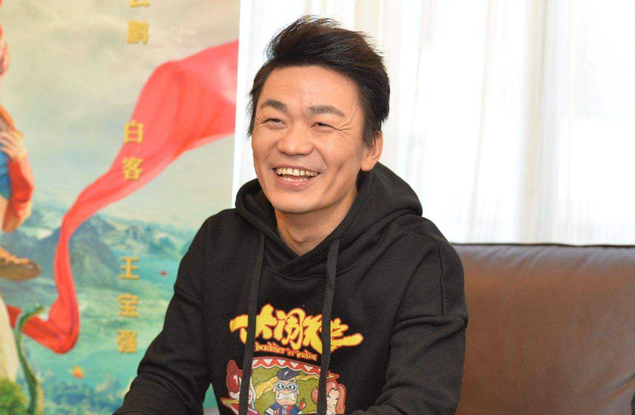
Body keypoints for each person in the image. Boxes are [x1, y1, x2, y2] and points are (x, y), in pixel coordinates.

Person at [113, 15, 468, 415]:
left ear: (370, 148)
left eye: (322, 124)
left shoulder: (419, 260)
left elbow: (416, 406)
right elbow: (167, 383)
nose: (293, 144)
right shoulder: (220, 242)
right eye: (274, 120)